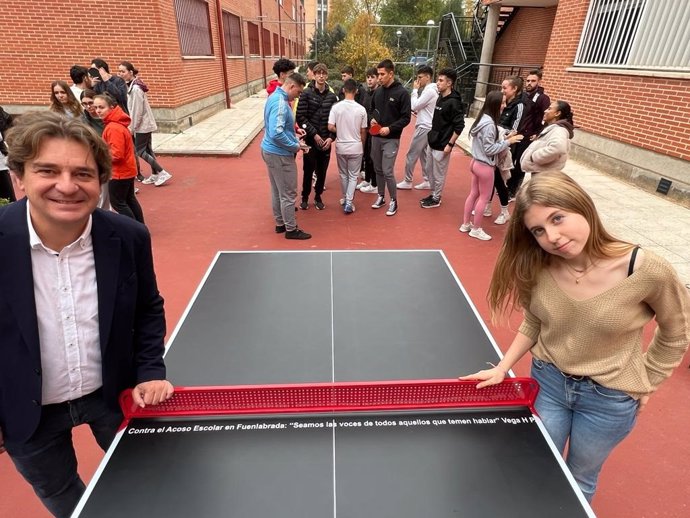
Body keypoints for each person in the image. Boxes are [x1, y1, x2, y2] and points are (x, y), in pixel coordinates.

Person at [460, 171, 690, 502]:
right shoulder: (539, 266)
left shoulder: (645, 269)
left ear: (581, 205)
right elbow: (534, 322)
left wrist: (646, 381)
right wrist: (502, 367)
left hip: (609, 399)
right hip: (549, 384)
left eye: (558, 218)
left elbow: (676, 334)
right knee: (538, 464)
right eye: (538, 230)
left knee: (580, 477)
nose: (552, 236)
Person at [0, 111, 174, 518]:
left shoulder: (128, 236)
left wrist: (150, 370)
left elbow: (149, 307)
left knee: (150, 479)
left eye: (82, 173)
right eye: (47, 170)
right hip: (26, 412)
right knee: (62, 494)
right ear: (20, 178)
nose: (66, 186)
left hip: (112, 394)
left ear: (100, 182)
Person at [460, 91, 523, 240]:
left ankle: (465, 224)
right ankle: (476, 229)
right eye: (502, 103)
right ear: (494, 104)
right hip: (485, 166)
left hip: (475, 162)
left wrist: (505, 138)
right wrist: (508, 142)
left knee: (473, 194)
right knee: (483, 198)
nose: (504, 106)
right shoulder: (489, 124)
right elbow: (489, 149)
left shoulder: (482, 119)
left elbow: (487, 144)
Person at [261, 72, 312, 240]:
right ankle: (291, 229)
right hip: (279, 154)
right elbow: (277, 133)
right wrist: (296, 146)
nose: (298, 96)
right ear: (291, 86)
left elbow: (277, 127)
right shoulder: (281, 104)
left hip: (271, 151)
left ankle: (280, 224)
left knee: (277, 190)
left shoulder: (274, 97)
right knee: (288, 193)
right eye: (298, 92)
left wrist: (295, 131)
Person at [118, 61, 173, 186]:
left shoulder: (136, 88)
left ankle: (162, 172)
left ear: (130, 72)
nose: (120, 74)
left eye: (123, 71)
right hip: (144, 124)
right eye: (119, 71)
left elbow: (137, 111)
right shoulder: (133, 85)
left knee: (140, 151)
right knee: (147, 149)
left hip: (142, 125)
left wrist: (133, 127)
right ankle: (155, 174)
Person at [369, 59, 412, 217]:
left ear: (391, 73)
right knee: (378, 169)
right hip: (376, 137)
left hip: (391, 139)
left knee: (387, 171)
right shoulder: (378, 92)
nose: (379, 77)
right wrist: (372, 119)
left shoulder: (402, 93)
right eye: (378, 74)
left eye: (382, 74)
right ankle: (381, 196)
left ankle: (393, 200)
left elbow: (406, 118)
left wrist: (390, 128)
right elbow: (372, 110)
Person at [93, 93, 144, 223]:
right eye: (96, 107)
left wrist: (99, 156)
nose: (98, 110)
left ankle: (133, 229)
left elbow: (116, 154)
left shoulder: (113, 128)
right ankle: (139, 226)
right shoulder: (116, 124)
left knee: (118, 202)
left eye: (101, 107)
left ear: (111, 107)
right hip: (126, 170)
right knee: (128, 199)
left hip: (120, 173)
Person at [420, 68, 465, 209]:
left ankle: (436, 198)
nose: (437, 83)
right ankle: (433, 193)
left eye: (440, 80)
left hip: (443, 144)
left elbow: (459, 126)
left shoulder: (454, 103)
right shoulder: (440, 97)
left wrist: (450, 144)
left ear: (449, 83)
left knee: (439, 174)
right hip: (432, 140)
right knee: (429, 169)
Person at [296, 63, 338, 210]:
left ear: (327, 75)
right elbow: (300, 117)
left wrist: (331, 138)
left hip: (325, 142)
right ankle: (305, 197)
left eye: (323, 73)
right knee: (308, 170)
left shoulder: (332, 97)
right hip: (310, 140)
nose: (321, 76)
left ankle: (318, 196)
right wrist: (314, 135)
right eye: (318, 73)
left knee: (322, 171)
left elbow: (336, 121)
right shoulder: (306, 93)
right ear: (313, 75)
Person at [506, 69, 550, 196]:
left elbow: (545, 117)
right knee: (510, 159)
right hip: (516, 134)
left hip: (529, 136)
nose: (529, 83)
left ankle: (513, 191)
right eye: (528, 81)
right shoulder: (523, 96)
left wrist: (538, 133)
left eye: (533, 81)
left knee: (520, 162)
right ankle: (508, 184)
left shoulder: (543, 99)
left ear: (539, 81)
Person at [328, 78, 368, 214]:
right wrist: (362, 145)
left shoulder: (336, 107)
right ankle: (349, 202)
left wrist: (341, 130)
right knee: (353, 176)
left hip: (341, 146)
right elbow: (363, 130)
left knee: (343, 174)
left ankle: (345, 198)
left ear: (343, 90)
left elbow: (330, 126)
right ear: (356, 91)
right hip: (356, 146)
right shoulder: (361, 109)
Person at [397, 65, 437, 191]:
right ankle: (427, 180)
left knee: (411, 153)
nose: (418, 80)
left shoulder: (430, 91)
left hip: (424, 126)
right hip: (427, 125)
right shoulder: (432, 90)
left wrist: (414, 90)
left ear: (428, 77)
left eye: (420, 77)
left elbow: (414, 106)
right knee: (424, 155)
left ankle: (408, 180)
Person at [520, 100, 574, 174]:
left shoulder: (559, 130)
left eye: (549, 109)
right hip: (541, 172)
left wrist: (534, 157)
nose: (545, 111)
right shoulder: (553, 128)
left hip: (543, 174)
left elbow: (558, 148)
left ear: (557, 113)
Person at [357, 67, 379, 194]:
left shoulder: (378, 93)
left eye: (373, 77)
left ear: (377, 79)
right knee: (366, 155)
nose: (370, 80)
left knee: (372, 157)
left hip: (374, 130)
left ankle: (374, 184)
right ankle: (368, 179)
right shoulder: (366, 93)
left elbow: (373, 113)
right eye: (368, 77)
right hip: (364, 129)